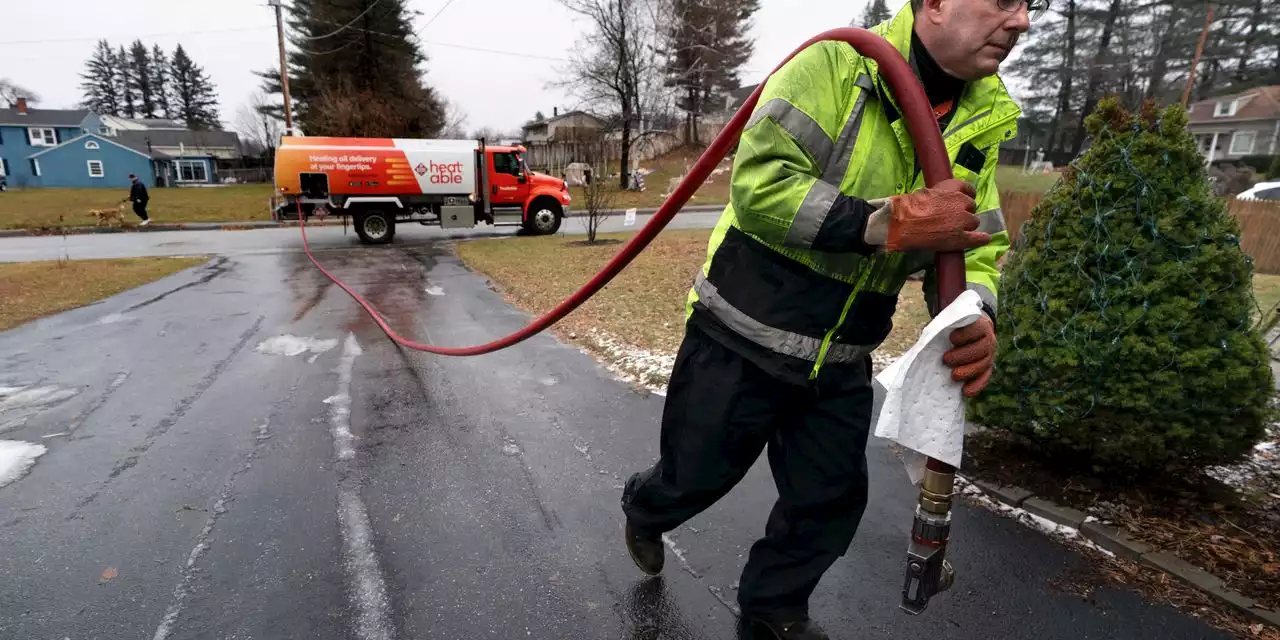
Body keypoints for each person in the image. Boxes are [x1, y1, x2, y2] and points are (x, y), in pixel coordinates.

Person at [620, 0, 1039, 638]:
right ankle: (647, 509)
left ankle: (774, 609)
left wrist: (977, 308)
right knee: (694, 476)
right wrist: (885, 222)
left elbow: (980, 241)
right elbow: (761, 189)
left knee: (828, 501)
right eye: (1005, 1)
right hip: (741, 332)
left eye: (1032, 6)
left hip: (841, 356)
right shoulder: (836, 66)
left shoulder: (985, 117)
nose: (1022, 22)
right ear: (935, 3)